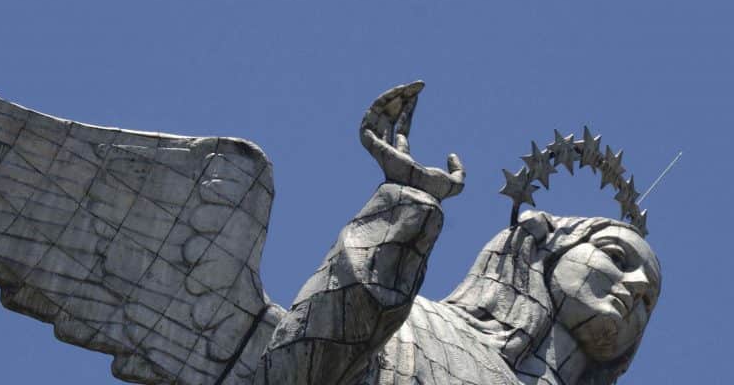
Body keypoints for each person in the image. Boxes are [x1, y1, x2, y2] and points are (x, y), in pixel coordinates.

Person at [260, 83, 661, 385]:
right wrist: (406, 205)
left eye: (648, 301)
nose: (637, 288)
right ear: (543, 246)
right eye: (617, 257)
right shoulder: (417, 327)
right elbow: (299, 367)